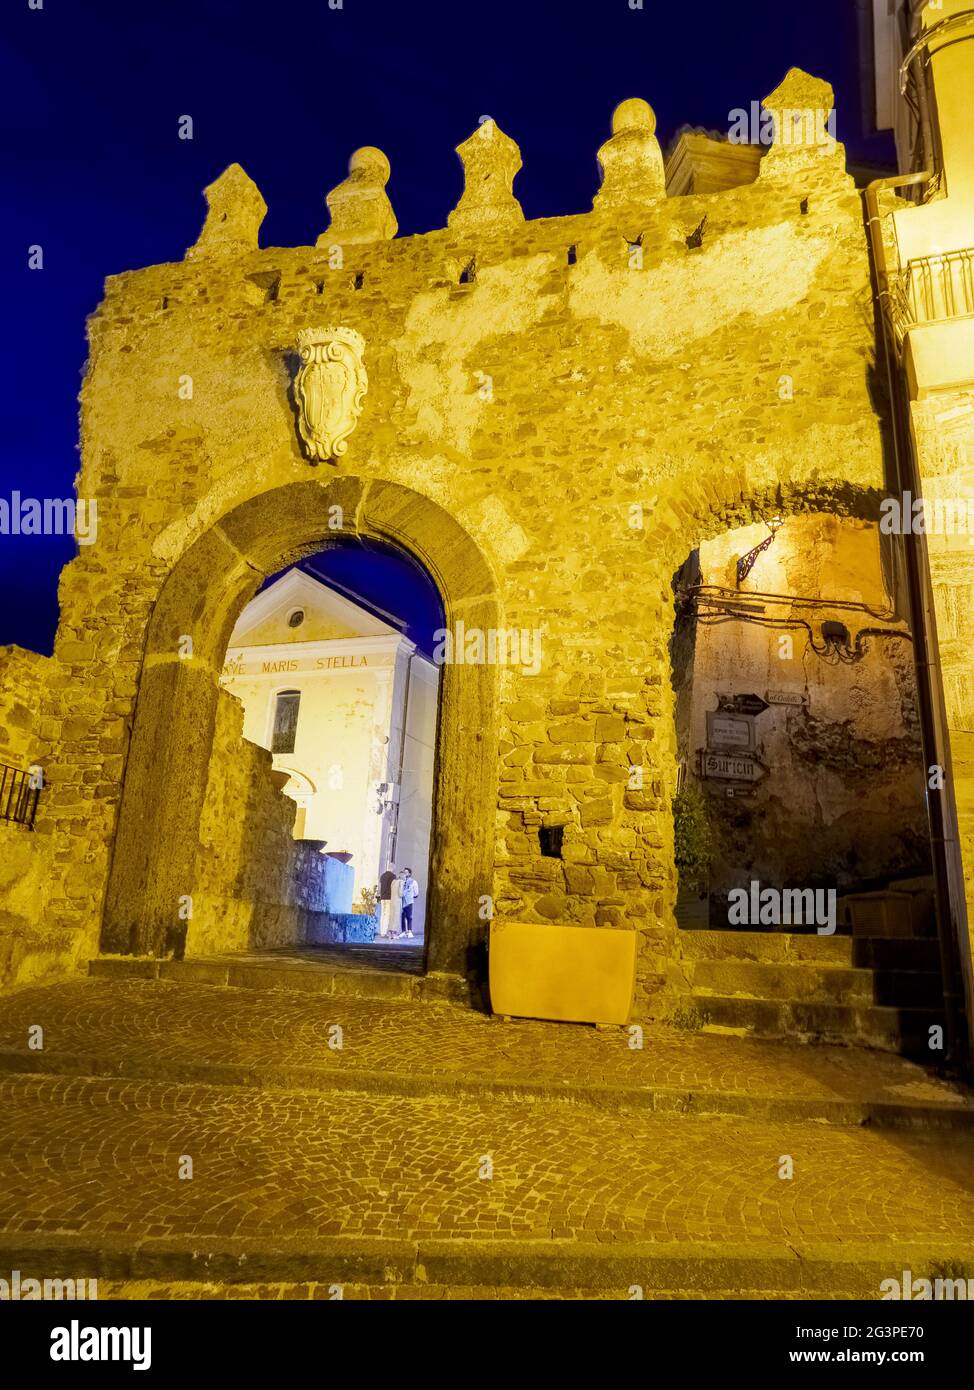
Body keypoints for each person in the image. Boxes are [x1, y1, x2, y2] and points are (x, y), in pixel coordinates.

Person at [377, 862, 397, 939]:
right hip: (389, 897)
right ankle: (385, 932)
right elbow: (393, 888)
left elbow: (379, 886)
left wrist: (379, 895)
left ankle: (382, 932)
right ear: (393, 868)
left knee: (383, 914)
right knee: (387, 915)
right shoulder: (393, 876)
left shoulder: (382, 876)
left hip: (382, 897)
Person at [399, 867, 419, 939]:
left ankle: (410, 931)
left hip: (409, 901)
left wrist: (410, 895)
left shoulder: (413, 882)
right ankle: (403, 931)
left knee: (409, 916)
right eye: (404, 872)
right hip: (402, 901)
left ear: (410, 873)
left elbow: (416, 893)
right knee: (402, 916)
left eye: (406, 872)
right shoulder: (401, 881)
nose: (405, 873)